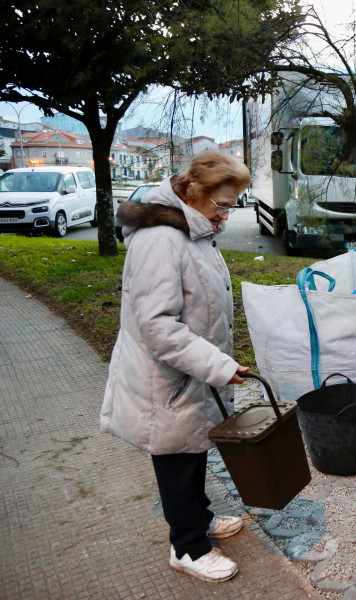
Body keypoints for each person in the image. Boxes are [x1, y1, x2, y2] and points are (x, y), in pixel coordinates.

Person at [100, 151, 251, 583]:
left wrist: (214, 363)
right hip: (165, 378)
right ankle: (186, 547)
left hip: (191, 372)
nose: (225, 215)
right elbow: (159, 328)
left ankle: (198, 517)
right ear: (190, 191)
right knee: (176, 459)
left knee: (194, 446)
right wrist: (218, 365)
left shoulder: (193, 229)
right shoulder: (159, 240)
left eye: (231, 205)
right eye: (221, 205)